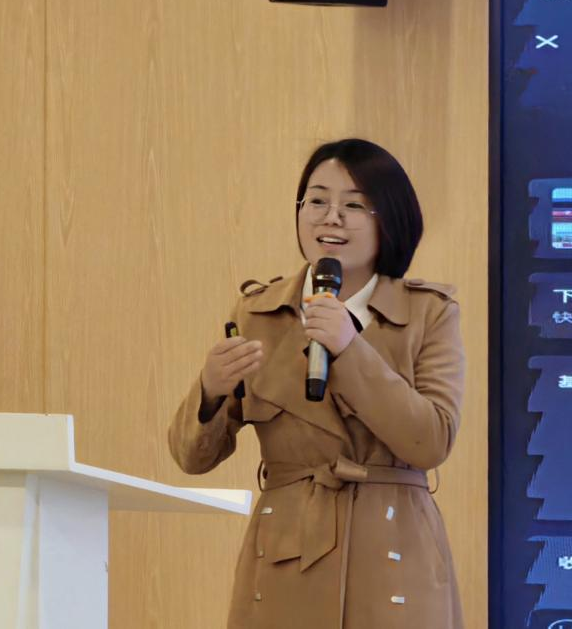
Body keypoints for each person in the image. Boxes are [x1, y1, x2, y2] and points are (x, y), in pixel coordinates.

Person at [168, 138, 465, 629]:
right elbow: (192, 458)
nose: (332, 218)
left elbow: (432, 440)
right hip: (286, 558)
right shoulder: (258, 312)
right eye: (317, 201)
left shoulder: (428, 313)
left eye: (354, 205)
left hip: (393, 556)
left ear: (390, 219)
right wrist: (210, 391)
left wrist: (350, 350)